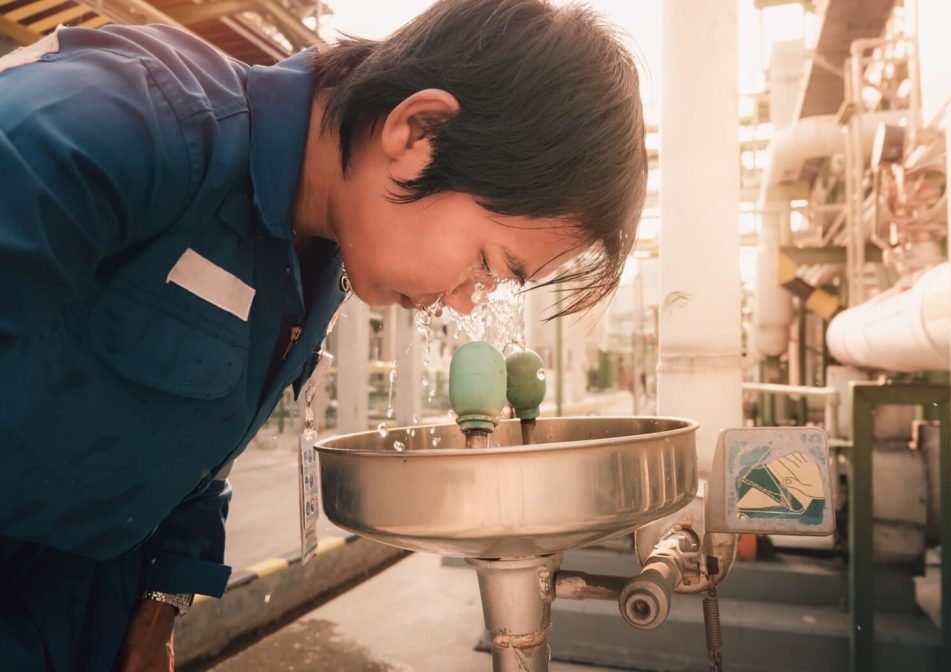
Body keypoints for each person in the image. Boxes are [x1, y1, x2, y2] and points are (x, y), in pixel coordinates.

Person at [0, 0, 647, 668]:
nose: (463, 302)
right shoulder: (135, 118)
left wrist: (163, 597)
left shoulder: (321, 269)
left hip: (87, 600)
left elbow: (198, 444)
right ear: (418, 132)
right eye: (485, 262)